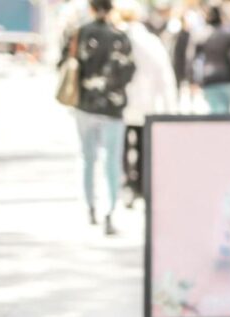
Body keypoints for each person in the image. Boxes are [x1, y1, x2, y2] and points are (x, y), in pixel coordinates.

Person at [60, 0, 136, 235]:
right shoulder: (120, 36)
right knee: (111, 160)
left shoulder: (80, 33)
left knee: (87, 156)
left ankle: (89, 206)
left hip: (85, 104)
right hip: (112, 108)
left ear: (91, 8)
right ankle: (109, 210)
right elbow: (129, 71)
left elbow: (65, 63)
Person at [118, 0, 177, 207]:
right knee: (143, 146)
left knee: (123, 146)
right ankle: (141, 185)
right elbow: (165, 76)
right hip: (146, 104)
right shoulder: (150, 41)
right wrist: (170, 107)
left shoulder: (118, 38)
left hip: (122, 104)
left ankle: (127, 184)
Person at [195, 5, 230, 114]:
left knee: (216, 113)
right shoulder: (228, 35)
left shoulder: (202, 35)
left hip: (210, 79)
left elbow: (193, 59)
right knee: (224, 114)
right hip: (226, 78)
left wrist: (193, 79)